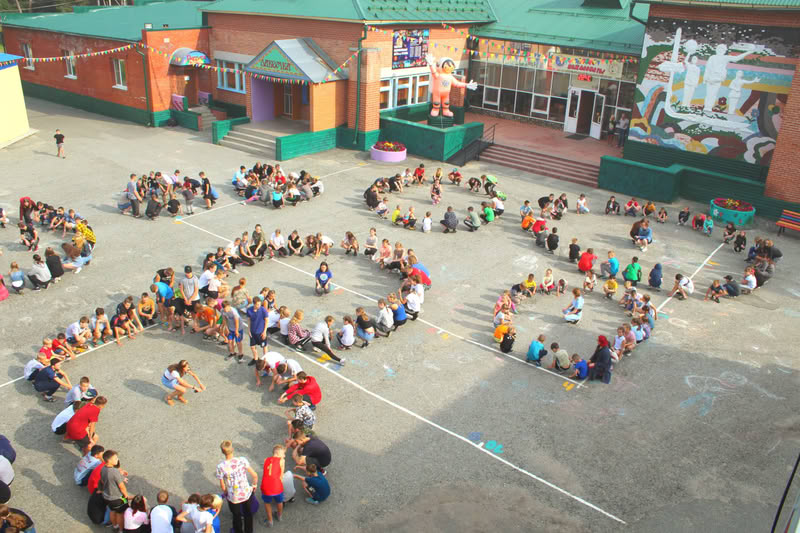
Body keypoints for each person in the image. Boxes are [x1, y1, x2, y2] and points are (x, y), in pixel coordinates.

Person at [216, 440, 258, 533]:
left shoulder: (220, 467)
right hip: (245, 492)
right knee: (248, 514)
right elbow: (254, 475)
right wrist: (254, 485)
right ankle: (249, 531)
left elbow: (223, 485)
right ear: (232, 449)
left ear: (223, 452)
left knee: (236, 515)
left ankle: (238, 530)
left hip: (233, 495)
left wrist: (225, 492)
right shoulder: (242, 460)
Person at [99, 450, 130, 531]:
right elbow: (121, 486)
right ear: (109, 460)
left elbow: (102, 481)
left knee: (112, 511)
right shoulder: (114, 471)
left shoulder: (103, 469)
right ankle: (121, 529)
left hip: (107, 496)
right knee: (120, 514)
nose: (117, 459)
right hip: (117, 498)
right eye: (115, 458)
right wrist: (125, 495)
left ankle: (115, 525)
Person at [261, 445, 286, 527]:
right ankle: (279, 516)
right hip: (277, 486)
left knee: (267, 503)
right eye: (283, 453)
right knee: (279, 501)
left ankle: (270, 521)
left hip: (265, 486)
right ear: (278, 453)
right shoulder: (282, 461)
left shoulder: (265, 460)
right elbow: (281, 476)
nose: (284, 456)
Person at [246, 297, 269, 365]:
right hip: (253, 332)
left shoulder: (263, 310)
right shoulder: (249, 310)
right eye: (257, 304)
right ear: (254, 304)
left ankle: (265, 360)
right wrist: (249, 330)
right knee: (252, 347)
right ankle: (256, 359)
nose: (259, 305)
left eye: (260, 304)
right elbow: (249, 320)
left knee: (264, 347)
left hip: (261, 332)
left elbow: (267, 320)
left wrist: (264, 331)